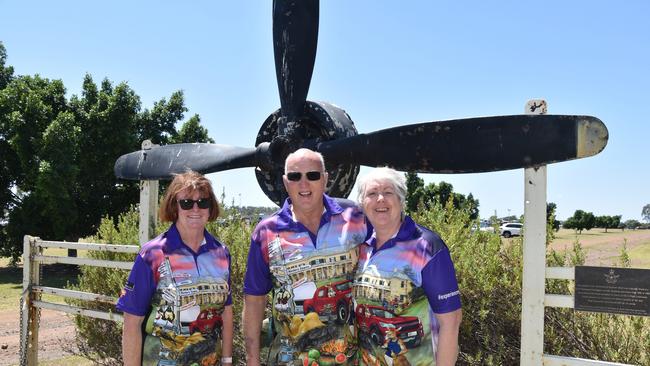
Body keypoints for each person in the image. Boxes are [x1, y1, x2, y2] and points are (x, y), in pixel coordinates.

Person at [242, 148, 368, 366]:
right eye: (294, 176)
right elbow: (254, 300)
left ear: (325, 179)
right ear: (285, 181)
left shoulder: (356, 217)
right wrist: (252, 360)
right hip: (289, 359)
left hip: (349, 358)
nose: (303, 183)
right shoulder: (266, 232)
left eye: (312, 175)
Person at [116, 171, 233, 366]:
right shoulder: (153, 254)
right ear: (174, 206)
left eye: (203, 202)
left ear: (210, 207)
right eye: (186, 202)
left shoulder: (221, 253)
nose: (195, 209)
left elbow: (226, 311)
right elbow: (131, 322)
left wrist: (227, 360)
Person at [354, 167, 462, 366]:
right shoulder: (362, 247)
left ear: (401, 200)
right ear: (362, 203)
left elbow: (451, 321)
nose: (380, 199)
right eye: (372, 193)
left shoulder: (427, 246)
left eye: (388, 192)